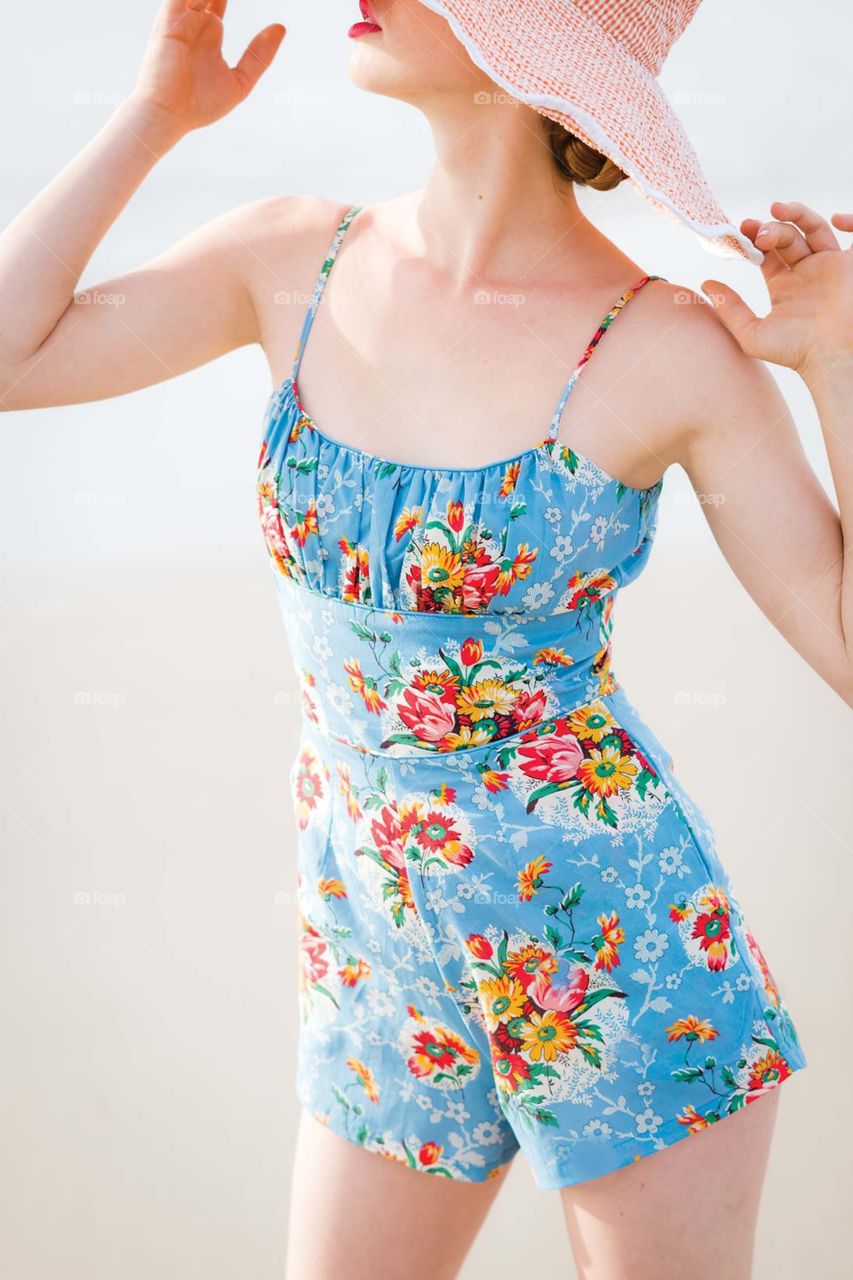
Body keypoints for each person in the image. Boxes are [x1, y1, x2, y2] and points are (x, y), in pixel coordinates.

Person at [2, 2, 851, 1277]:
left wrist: (835, 357)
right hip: (376, 953)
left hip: (616, 956)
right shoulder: (293, 261)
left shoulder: (666, 346)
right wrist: (152, 119)